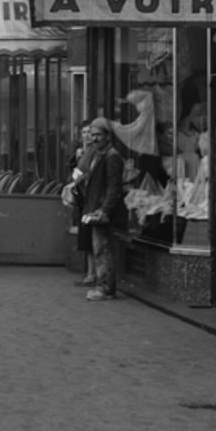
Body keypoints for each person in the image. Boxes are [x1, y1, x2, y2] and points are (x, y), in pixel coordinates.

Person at [81, 117, 126, 301]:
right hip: (95, 206)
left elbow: (113, 186)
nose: (94, 138)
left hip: (102, 209)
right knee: (99, 247)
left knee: (103, 248)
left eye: (98, 135)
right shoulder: (96, 153)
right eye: (92, 134)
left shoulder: (111, 156)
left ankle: (105, 288)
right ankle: (104, 285)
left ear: (107, 136)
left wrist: (105, 209)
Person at [66, 120, 96, 287]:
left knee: (92, 239)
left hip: (90, 199)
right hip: (83, 199)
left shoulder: (95, 153)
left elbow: (80, 176)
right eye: (84, 133)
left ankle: (93, 274)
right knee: (86, 239)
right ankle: (90, 273)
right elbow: (74, 173)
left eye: (90, 133)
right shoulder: (82, 152)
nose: (87, 136)